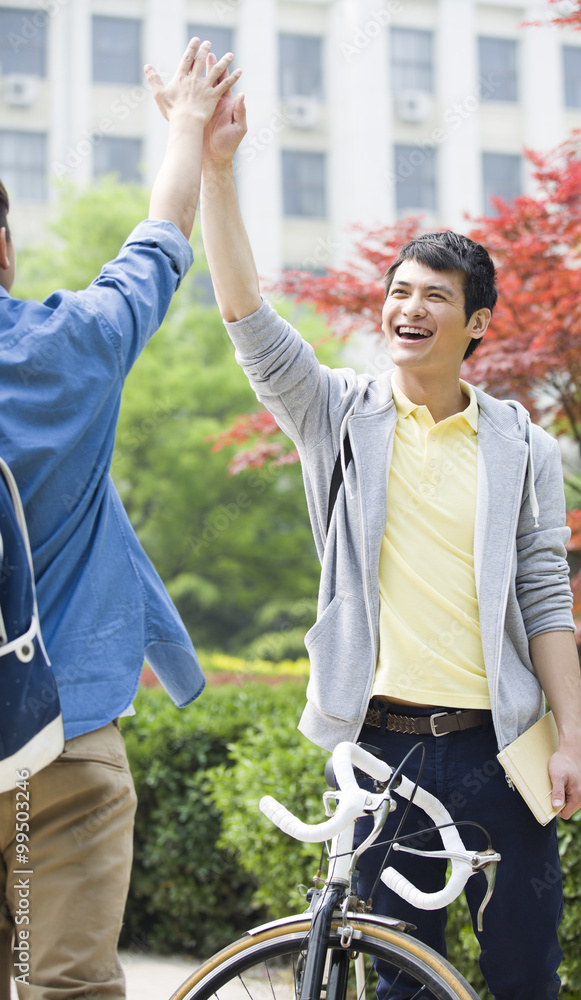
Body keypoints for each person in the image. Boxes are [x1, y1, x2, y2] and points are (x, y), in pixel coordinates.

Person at [186, 64, 581, 1000]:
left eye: (433, 298)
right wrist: (216, 169)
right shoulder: (336, 415)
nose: (406, 310)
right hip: (382, 750)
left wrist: (567, 741)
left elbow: (545, 600)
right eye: (399, 291)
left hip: (503, 745)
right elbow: (247, 317)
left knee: (526, 974)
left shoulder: (523, 446)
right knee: (404, 983)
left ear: (476, 322)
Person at [0, 39, 241, 1000]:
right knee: (65, 987)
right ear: (6, 248)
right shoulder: (77, 347)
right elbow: (162, 235)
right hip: (64, 740)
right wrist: (187, 125)